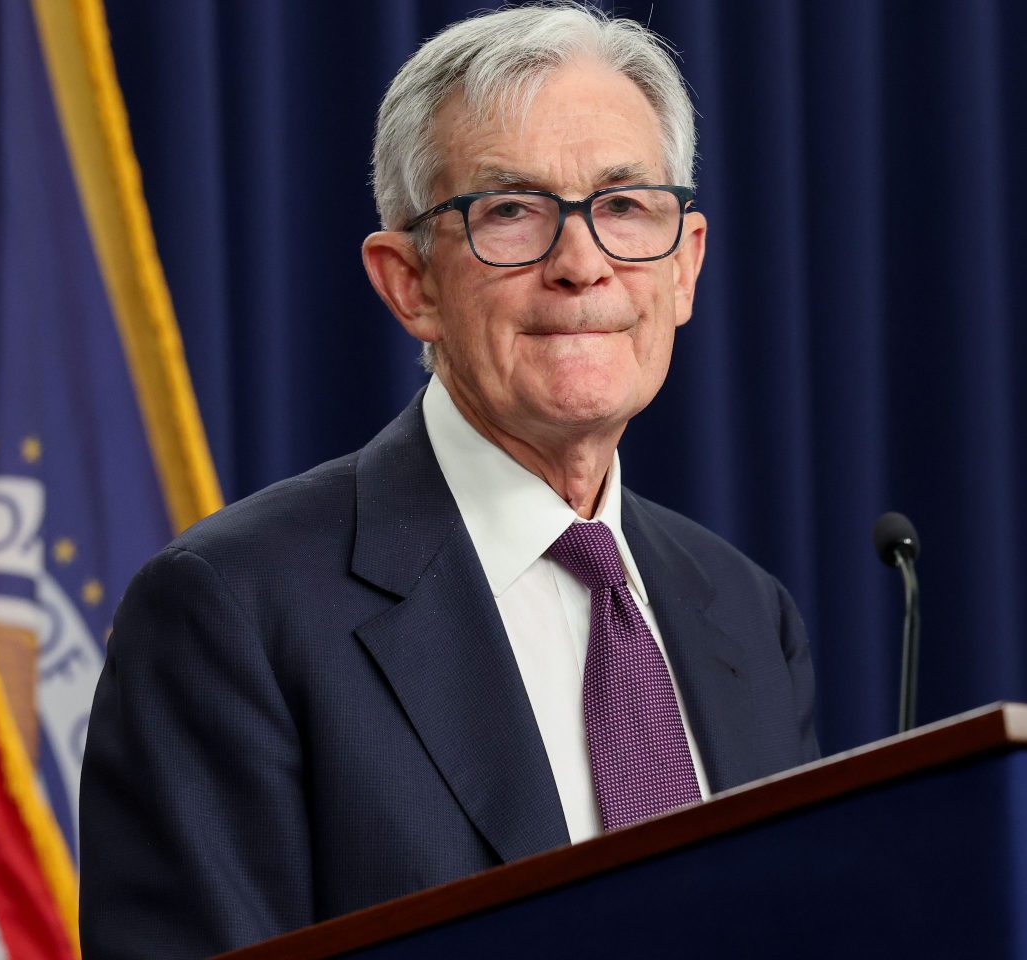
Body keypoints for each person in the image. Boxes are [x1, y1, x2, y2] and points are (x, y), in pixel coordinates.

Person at [78, 5, 818, 957]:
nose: (583, 265)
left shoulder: (750, 617)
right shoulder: (233, 612)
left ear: (685, 268)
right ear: (408, 283)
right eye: (512, 211)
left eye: (626, 206)